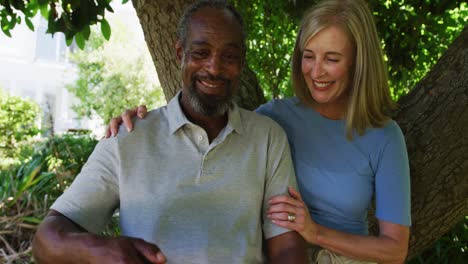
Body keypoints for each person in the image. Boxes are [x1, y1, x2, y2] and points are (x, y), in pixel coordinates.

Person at [109, 0, 411, 263]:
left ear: (358, 63)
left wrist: (314, 231)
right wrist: (140, 126)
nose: (316, 71)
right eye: (309, 55)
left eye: (332, 59)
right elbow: (205, 138)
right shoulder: (272, 119)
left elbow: (395, 250)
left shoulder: (384, 137)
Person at [32, 1, 308, 263]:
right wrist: (101, 251)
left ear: (242, 61)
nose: (214, 67)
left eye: (229, 56)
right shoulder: (128, 138)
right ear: (179, 53)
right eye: (201, 53)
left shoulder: (268, 138)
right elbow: (46, 241)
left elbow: (286, 246)